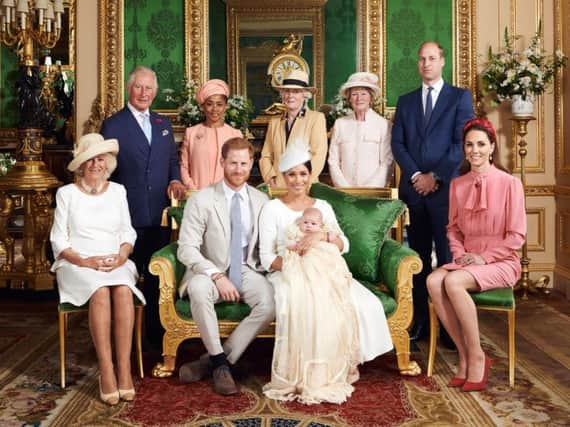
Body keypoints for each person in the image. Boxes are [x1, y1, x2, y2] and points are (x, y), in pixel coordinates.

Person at [259, 140, 393, 404]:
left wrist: (323, 235)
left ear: (311, 175)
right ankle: (305, 372)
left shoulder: (322, 206)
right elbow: (266, 257)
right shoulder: (271, 208)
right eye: (292, 174)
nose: (298, 180)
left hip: (327, 270)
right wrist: (298, 266)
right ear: (284, 177)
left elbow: (345, 245)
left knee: (358, 301)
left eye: (303, 173)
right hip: (289, 271)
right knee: (303, 302)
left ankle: (337, 365)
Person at [426, 117, 526, 391]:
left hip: (501, 261)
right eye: (469, 145)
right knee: (434, 281)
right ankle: (465, 354)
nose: (475, 150)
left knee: (453, 281)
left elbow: (517, 236)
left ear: (492, 147)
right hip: (467, 259)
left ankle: (477, 355)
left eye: (481, 144)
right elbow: (453, 229)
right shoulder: (458, 185)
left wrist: (483, 258)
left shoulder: (510, 184)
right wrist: (459, 255)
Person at [50, 133, 144, 405]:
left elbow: (127, 231)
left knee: (124, 290)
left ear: (108, 163)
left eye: (100, 159)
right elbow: (59, 239)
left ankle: (124, 370)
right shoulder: (66, 194)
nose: (95, 165)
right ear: (81, 165)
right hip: (77, 262)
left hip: (116, 260)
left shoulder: (118, 191)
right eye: (89, 160)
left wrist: (122, 255)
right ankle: (106, 371)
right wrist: (84, 261)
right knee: (101, 291)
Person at [176, 137, 275, 395]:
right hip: (209, 269)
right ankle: (221, 366)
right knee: (198, 289)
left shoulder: (261, 200)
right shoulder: (202, 199)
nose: (238, 169)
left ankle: (216, 361)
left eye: (244, 163)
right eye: (233, 163)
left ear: (251, 163)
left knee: (269, 303)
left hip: (246, 268)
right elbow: (186, 248)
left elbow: (268, 245)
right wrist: (217, 275)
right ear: (222, 162)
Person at [391, 41, 474, 345]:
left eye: (432, 58)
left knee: (449, 258)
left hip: (446, 193)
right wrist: (416, 176)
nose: (426, 63)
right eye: (422, 58)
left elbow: (460, 143)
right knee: (417, 259)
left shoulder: (459, 97)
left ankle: (451, 328)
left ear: (442, 62)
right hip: (414, 192)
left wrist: (434, 176)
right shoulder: (406, 101)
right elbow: (397, 144)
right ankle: (419, 323)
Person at [100, 66, 186, 350]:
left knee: (157, 278)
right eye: (139, 87)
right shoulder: (113, 125)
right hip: (127, 216)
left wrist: (175, 178)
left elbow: (172, 160)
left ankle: (155, 336)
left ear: (155, 92)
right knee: (127, 278)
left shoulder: (163, 124)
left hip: (158, 215)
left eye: (149, 88)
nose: (144, 93)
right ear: (129, 89)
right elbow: (105, 172)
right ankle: (124, 338)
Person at [260, 69, 327, 188]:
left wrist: (302, 181)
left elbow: (319, 155)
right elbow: (265, 155)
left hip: (305, 188)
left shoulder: (316, 119)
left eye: (295, 91)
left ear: (304, 95)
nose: (290, 95)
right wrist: (270, 177)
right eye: (286, 91)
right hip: (278, 188)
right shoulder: (274, 122)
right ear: (282, 94)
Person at [328, 72, 393, 187]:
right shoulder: (340, 124)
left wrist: (370, 190)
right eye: (354, 94)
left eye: (363, 94)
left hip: (373, 192)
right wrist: (344, 188)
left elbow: (386, 161)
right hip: (344, 192)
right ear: (349, 98)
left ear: (371, 97)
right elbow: (333, 160)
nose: (359, 99)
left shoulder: (383, 125)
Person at [180, 79, 243, 190]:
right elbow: (184, 166)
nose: (214, 109)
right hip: (197, 195)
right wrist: (193, 189)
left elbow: (240, 168)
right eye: (209, 104)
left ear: (225, 106)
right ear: (203, 106)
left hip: (227, 196)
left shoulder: (235, 135)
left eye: (219, 104)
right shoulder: (191, 133)